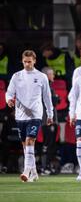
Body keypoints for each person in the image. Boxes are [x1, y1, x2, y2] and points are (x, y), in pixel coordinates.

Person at [5, 50, 54, 182]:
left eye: (29, 61)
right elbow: (9, 93)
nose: (27, 64)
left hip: (35, 115)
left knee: (30, 140)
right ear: (22, 61)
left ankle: (26, 171)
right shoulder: (16, 76)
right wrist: (9, 100)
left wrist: (50, 114)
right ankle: (34, 171)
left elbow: (47, 97)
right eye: (25, 61)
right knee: (25, 145)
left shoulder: (42, 77)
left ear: (34, 61)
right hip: (21, 115)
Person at [39, 67, 60, 175]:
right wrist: (56, 98)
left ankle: (46, 166)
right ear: (46, 75)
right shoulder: (45, 87)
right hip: (47, 120)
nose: (54, 76)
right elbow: (54, 101)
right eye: (52, 74)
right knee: (47, 144)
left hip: (49, 119)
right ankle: (44, 167)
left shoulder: (48, 86)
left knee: (50, 144)